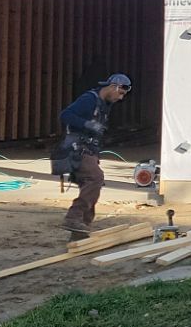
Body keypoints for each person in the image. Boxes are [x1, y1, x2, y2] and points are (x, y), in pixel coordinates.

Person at [54, 73, 132, 237]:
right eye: (121, 93)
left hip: (90, 149)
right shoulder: (89, 99)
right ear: (113, 87)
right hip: (77, 148)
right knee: (96, 178)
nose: (121, 98)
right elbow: (65, 115)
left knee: (90, 187)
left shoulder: (104, 104)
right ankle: (73, 217)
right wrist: (87, 124)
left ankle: (81, 231)